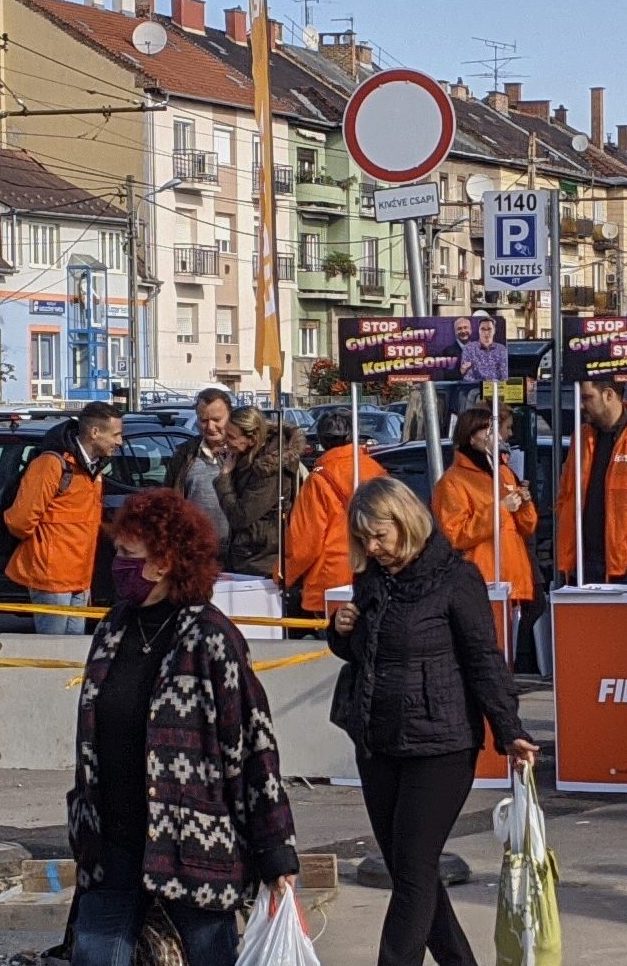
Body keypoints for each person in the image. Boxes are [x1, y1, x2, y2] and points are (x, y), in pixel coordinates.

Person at [69, 489, 298, 966]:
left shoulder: (211, 637)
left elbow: (255, 747)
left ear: (165, 562)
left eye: (129, 555)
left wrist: (276, 853)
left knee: (211, 956)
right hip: (112, 841)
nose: (117, 565)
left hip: (195, 847)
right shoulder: (113, 629)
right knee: (94, 956)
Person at [330, 478, 540, 966]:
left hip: (441, 744)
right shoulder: (372, 581)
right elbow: (365, 654)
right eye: (363, 539)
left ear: (407, 522)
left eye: (380, 535)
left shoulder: (455, 579)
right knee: (412, 872)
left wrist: (510, 730)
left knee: (413, 871)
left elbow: (484, 660)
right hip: (378, 742)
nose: (373, 548)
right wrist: (339, 631)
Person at [5, 402, 121, 636]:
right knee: (54, 655)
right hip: (52, 578)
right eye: (116, 434)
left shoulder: (92, 469)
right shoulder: (52, 464)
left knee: (73, 657)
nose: (119, 442)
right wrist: (47, 550)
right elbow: (20, 520)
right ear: (94, 432)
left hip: (79, 578)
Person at [555, 379, 627, 584]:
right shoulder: (581, 437)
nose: (581, 405)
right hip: (582, 563)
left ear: (608, 395)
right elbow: (566, 494)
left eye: (587, 397)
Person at [285, 411, 390, 620]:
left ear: (322, 441)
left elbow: (305, 543)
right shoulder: (377, 471)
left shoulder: (319, 479)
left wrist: (283, 575)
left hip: (330, 580)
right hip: (373, 571)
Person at [433, 406, 538, 599]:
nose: (496, 437)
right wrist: (501, 510)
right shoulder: (452, 482)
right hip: (482, 580)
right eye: (489, 432)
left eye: (496, 432)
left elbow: (527, 528)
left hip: (514, 576)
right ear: (471, 437)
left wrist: (524, 505)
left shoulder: (503, 472)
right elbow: (454, 535)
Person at [214, 406, 306, 578]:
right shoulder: (247, 456)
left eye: (232, 437)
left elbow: (241, 516)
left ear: (252, 439)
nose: (226, 441)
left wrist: (225, 477)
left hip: (261, 561)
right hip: (249, 555)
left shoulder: (269, 471)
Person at [165, 387, 236, 561]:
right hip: (194, 553)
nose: (210, 427)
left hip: (238, 555)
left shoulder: (244, 453)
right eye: (204, 420)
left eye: (217, 420)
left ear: (231, 417)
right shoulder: (185, 455)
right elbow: (169, 502)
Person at [459, 317, 510, 382]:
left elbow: (504, 375)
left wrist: (492, 383)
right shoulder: (469, 349)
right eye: (483, 329)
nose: (486, 332)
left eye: (489, 329)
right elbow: (466, 376)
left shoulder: (501, 349)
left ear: (494, 330)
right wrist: (483, 383)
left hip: (496, 388)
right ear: (479, 330)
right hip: (475, 388)